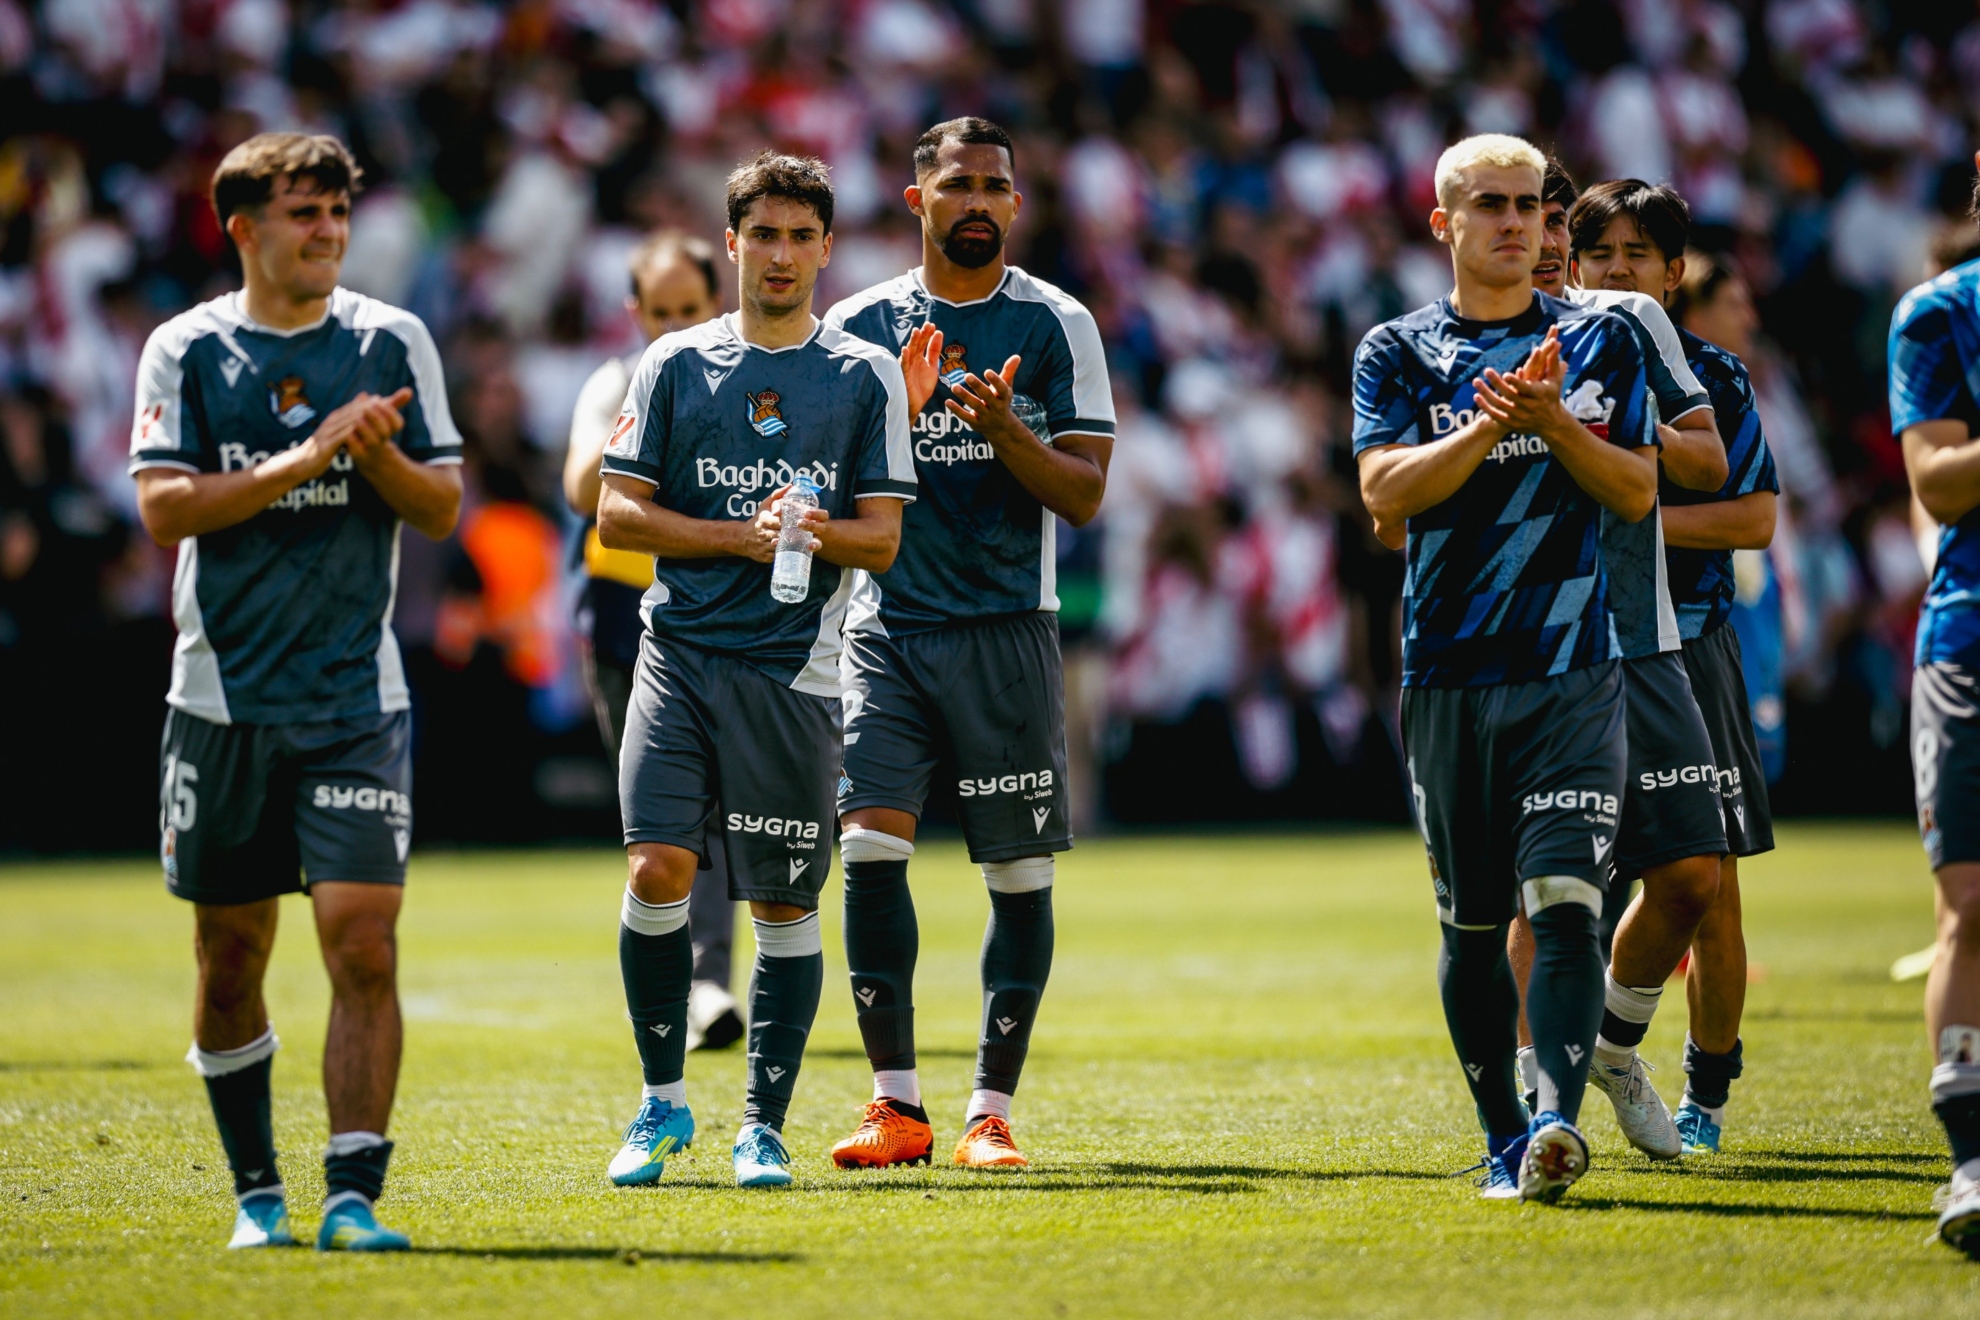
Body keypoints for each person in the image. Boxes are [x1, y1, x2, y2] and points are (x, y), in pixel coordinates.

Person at [129, 133, 463, 1251]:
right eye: (303, 213)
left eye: (337, 213)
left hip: (356, 700)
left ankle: (353, 1197)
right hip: (219, 701)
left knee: (363, 941)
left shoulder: (390, 338)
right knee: (230, 955)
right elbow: (165, 509)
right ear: (244, 229)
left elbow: (440, 508)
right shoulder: (185, 348)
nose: (327, 233)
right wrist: (307, 459)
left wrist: (373, 456)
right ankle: (256, 1196)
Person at [595, 151, 914, 1190]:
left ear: (827, 248)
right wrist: (741, 535)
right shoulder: (674, 363)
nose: (781, 255)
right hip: (679, 654)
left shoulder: (862, 374)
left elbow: (883, 541)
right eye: (763, 235)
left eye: (800, 237)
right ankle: (661, 1105)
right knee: (656, 870)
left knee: (781, 903)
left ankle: (761, 1127)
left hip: (794, 672)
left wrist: (809, 530)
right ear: (730, 243)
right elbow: (616, 514)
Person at [1355, 133, 1657, 1203]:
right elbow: (1385, 494)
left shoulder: (1601, 341)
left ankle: (1556, 1121)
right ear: (1444, 223)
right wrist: (1491, 427)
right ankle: (1501, 1136)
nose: (1518, 223)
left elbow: (1635, 491)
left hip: (1573, 669)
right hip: (1448, 674)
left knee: (1568, 901)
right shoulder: (1396, 350)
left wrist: (1553, 425)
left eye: (1532, 205)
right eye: (1491, 204)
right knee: (1474, 925)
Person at [819, 117, 1114, 1170]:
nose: (978, 200)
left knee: (1019, 875)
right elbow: (825, 483)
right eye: (958, 185)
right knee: (867, 850)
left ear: (1016, 204)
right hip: (887, 629)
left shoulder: (1057, 323)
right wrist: (897, 418)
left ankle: (990, 1112)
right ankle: (895, 1106)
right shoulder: (857, 325)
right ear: (919, 201)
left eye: (995, 185)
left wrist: (1005, 432)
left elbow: (1083, 494)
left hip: (1007, 630)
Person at [1589, 219, 1782, 1157]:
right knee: (1549, 888)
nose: (1616, 270)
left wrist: (1635, 512)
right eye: (1599, 253)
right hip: (1578, 646)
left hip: (1693, 642)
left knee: (1710, 889)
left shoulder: (1716, 378)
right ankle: (1544, 1104)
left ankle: (1705, 1098)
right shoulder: (1549, 362)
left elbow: (1755, 518)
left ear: (1672, 273)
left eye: (1636, 255)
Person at [561, 232, 743, 1053]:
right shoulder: (615, 382)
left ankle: (706, 982)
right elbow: (579, 488)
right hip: (622, 617)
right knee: (660, 812)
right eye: (659, 313)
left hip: (714, 610)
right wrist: (647, 408)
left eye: (689, 310)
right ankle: (686, 981)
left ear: (717, 303)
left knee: (714, 807)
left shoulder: (747, 383)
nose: (674, 327)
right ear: (636, 313)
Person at [1889, 147, 1980, 1257]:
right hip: (1971, 637)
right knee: (1971, 903)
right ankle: (1971, 1162)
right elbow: (1938, 480)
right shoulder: (1940, 310)